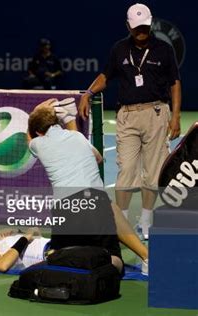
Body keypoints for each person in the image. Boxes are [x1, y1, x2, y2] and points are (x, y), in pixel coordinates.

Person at [78, 3, 182, 240]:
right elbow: (106, 76)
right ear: (128, 26)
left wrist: (175, 116)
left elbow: (175, 83)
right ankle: (120, 223)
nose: (141, 31)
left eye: (144, 26)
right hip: (127, 115)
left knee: (153, 171)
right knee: (125, 170)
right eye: (136, 28)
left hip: (156, 113)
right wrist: (87, 93)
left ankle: (145, 221)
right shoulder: (119, 49)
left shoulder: (164, 50)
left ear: (150, 23)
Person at [28, 99, 149, 274]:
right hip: (96, 205)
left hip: (65, 210)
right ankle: (141, 259)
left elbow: (29, 137)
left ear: (39, 132)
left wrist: (36, 110)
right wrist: (69, 120)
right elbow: (98, 158)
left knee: (60, 259)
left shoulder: (38, 144)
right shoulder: (77, 137)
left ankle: (77, 263)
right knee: (114, 261)